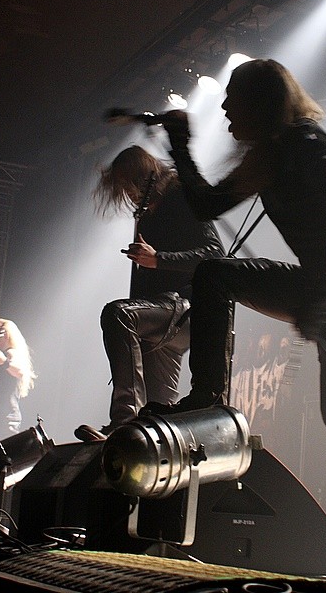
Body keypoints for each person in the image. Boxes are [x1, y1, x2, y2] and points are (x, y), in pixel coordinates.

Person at [141, 59, 326, 583]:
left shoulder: (307, 146)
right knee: (214, 274)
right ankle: (207, 395)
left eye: (233, 99)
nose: (225, 109)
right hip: (316, 282)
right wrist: (181, 144)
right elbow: (206, 205)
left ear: (261, 104)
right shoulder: (266, 157)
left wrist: (318, 311)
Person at [74, 144, 225, 442]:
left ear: (144, 176)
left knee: (117, 314)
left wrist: (158, 258)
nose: (126, 194)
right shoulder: (146, 217)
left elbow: (215, 254)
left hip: (190, 309)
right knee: (160, 421)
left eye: (128, 185)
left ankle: (124, 420)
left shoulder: (181, 194)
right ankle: (150, 445)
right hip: (162, 320)